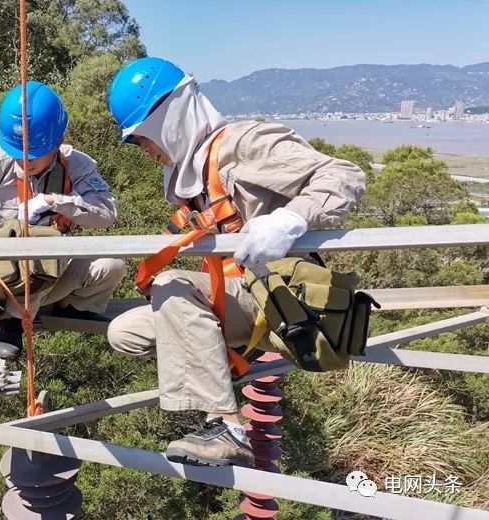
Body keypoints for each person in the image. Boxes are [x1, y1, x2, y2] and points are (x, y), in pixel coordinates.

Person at [105, 57, 366, 467]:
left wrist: (291, 219)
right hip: (240, 298)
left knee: (173, 284)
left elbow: (344, 175)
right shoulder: (191, 174)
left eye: (143, 138)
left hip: (281, 300)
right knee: (125, 332)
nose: (147, 151)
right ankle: (220, 367)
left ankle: (226, 426)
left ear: (168, 117)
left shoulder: (242, 144)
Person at [0, 81, 125, 359]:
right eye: (18, 153)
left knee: (111, 266)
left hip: (53, 276)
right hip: (0, 283)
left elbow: (106, 214)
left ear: (57, 142)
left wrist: (55, 202)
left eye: (34, 155)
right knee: (36, 243)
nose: (25, 162)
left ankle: (69, 308)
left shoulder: (75, 165)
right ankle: (10, 320)